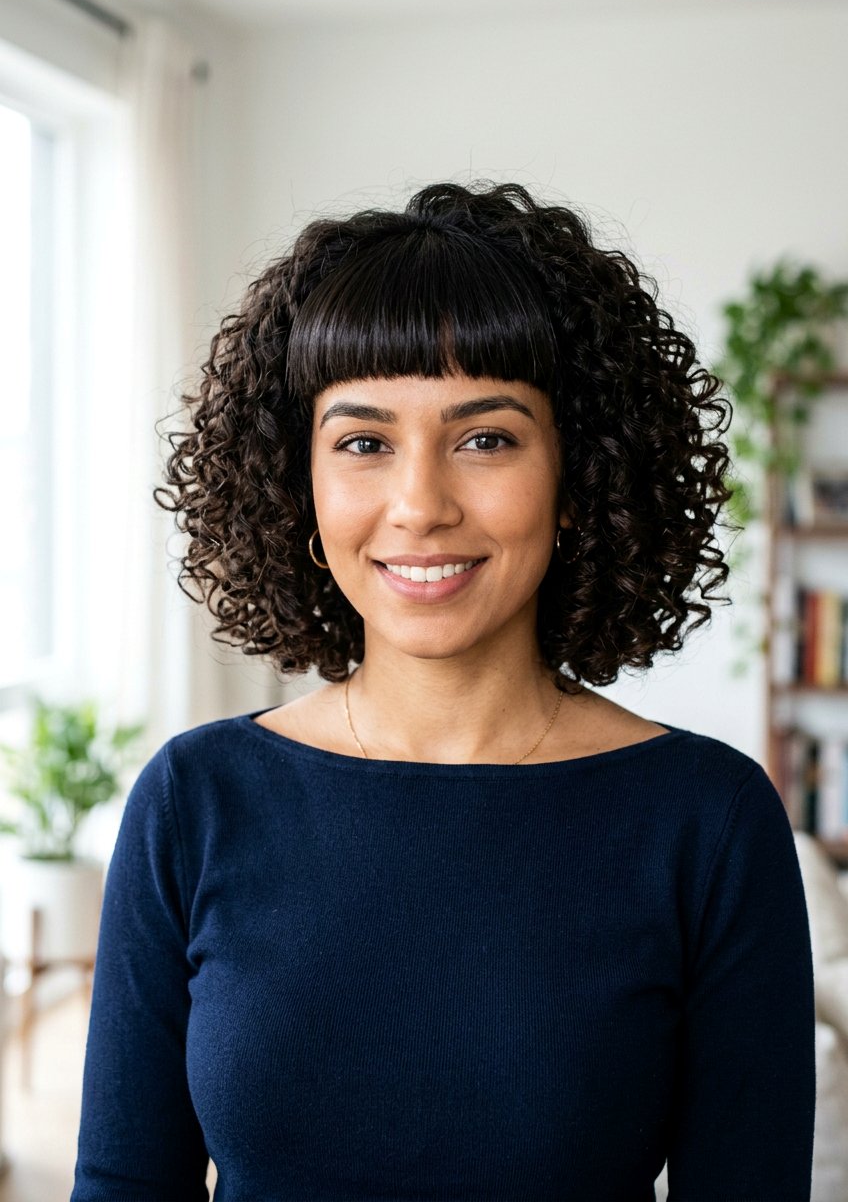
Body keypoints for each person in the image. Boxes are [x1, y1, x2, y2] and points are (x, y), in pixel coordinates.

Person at [71, 180, 816, 1201]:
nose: (419, 504)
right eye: (363, 441)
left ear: (579, 473)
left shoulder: (707, 819)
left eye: (485, 437)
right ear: (300, 483)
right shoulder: (194, 798)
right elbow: (122, 1182)